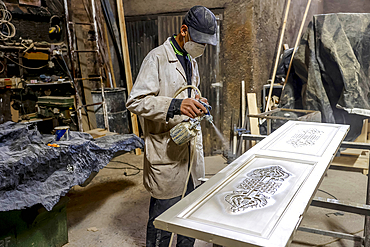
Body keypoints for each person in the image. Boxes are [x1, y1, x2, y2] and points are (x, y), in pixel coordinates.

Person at [126, 5, 218, 247]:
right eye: (199, 41)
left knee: (189, 216)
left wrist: (197, 102)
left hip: (189, 150)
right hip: (166, 151)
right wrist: (175, 105)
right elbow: (136, 101)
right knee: (163, 220)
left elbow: (186, 96)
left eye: (206, 44)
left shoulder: (191, 62)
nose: (202, 48)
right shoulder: (157, 58)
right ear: (184, 31)